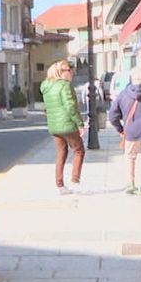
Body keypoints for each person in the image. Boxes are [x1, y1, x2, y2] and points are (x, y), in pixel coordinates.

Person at [40, 60, 84, 194]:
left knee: (61, 153)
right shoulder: (64, 86)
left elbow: (47, 108)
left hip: (54, 126)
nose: (72, 74)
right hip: (67, 124)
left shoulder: (46, 87)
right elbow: (70, 106)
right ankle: (75, 180)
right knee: (79, 150)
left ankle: (60, 185)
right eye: (70, 71)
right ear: (62, 72)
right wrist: (80, 123)